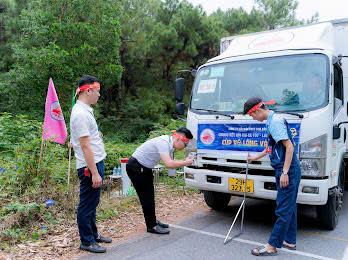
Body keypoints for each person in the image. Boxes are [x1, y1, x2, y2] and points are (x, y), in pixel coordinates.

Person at [243, 97, 301, 257]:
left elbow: (289, 147)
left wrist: (284, 172)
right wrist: (255, 157)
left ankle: (272, 245)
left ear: (257, 110)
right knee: (289, 206)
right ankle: (289, 240)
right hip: (285, 169)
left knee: (282, 208)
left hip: (287, 170)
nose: (252, 118)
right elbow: (271, 147)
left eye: (251, 115)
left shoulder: (274, 122)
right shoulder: (271, 121)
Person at [126, 127, 195, 234]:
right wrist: (185, 163)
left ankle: (153, 221)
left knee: (150, 196)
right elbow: (169, 164)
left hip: (144, 167)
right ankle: (151, 226)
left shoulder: (169, 143)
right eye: (185, 144)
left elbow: (171, 161)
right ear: (178, 139)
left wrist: (182, 161)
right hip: (136, 167)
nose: (185, 147)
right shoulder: (163, 143)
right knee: (146, 197)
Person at [70, 75, 111, 253]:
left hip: (95, 162)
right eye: (97, 92)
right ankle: (86, 241)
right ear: (88, 91)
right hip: (89, 166)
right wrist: (94, 172)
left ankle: (93, 235)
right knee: (87, 205)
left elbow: (84, 140)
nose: (99, 95)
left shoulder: (86, 109)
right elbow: (85, 146)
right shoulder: (79, 113)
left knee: (93, 203)